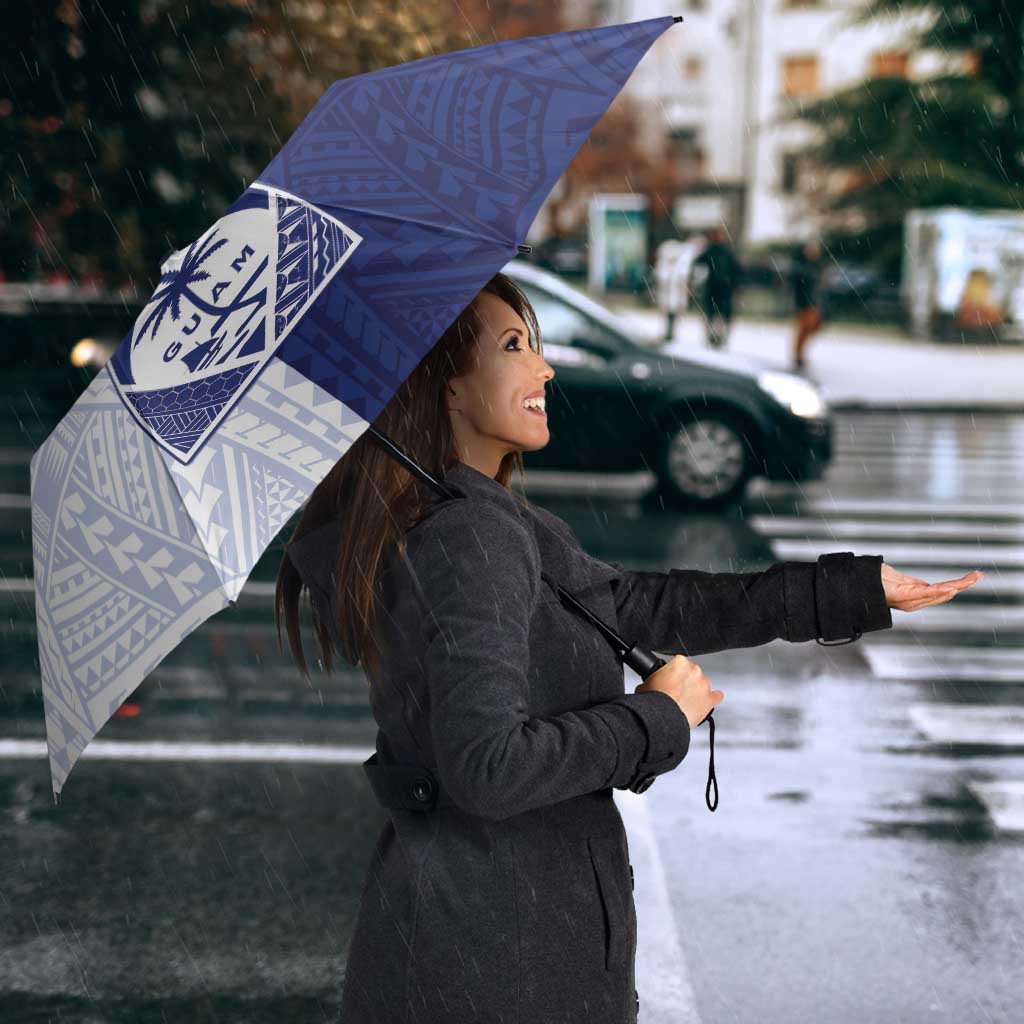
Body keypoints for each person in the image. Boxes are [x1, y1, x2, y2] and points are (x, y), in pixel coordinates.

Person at [276, 272, 981, 1024]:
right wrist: (655, 719)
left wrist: (849, 590)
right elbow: (487, 768)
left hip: (480, 943)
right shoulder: (469, 537)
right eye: (514, 346)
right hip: (496, 962)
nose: (544, 368)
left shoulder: (480, 520)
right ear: (445, 388)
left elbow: (644, 606)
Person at [692, 226, 742, 349]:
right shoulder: (712, 251)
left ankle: (719, 337)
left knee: (720, 315)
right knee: (713, 314)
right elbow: (698, 264)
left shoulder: (725, 252)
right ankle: (713, 337)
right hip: (715, 288)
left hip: (723, 288)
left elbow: (736, 270)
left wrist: (735, 284)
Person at [790, 239, 826, 370]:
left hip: (814, 303)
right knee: (804, 329)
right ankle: (798, 355)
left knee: (812, 328)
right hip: (805, 303)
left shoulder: (817, 266)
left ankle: (799, 354)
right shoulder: (802, 267)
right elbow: (799, 286)